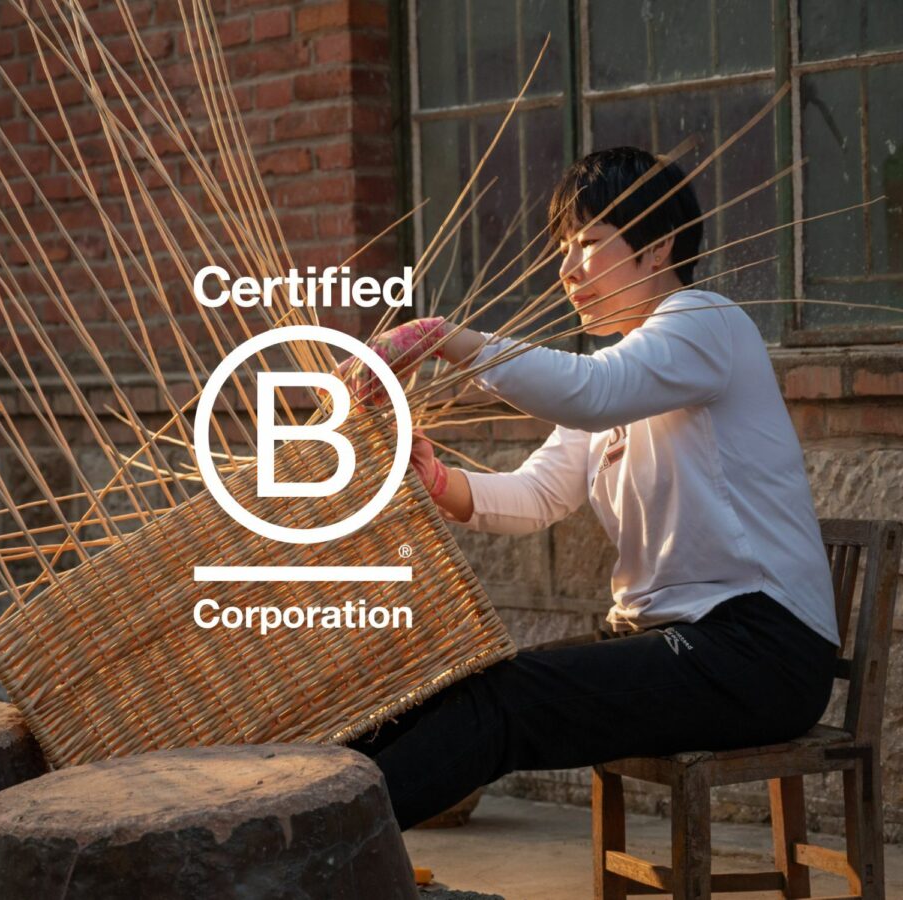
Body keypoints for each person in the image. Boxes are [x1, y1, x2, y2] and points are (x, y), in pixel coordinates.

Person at [345, 147, 840, 831]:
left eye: (589, 245)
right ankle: (301, 820)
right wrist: (439, 482)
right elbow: (539, 494)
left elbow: (591, 394)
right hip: (674, 643)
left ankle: (320, 848)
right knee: (454, 689)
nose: (567, 271)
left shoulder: (706, 322)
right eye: (562, 250)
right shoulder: (622, 368)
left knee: (507, 705)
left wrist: (443, 338)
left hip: (757, 653)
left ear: (658, 244)